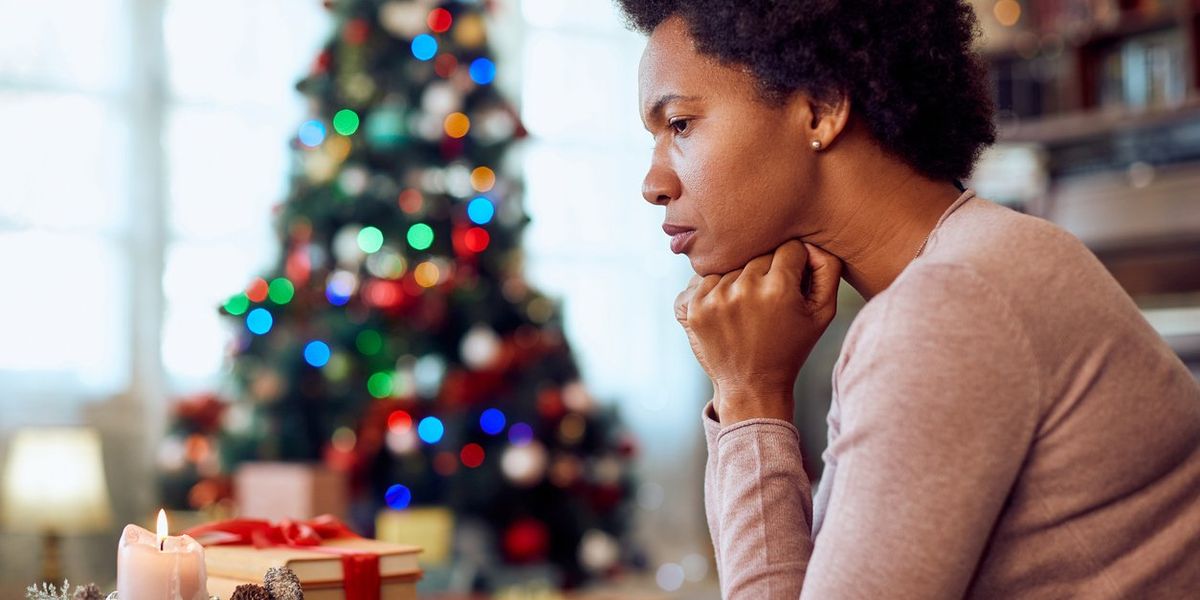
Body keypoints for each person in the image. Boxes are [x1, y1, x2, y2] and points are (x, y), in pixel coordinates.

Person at [616, 0, 1200, 597]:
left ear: (819, 108)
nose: (653, 184)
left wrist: (749, 399)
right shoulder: (968, 269)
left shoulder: (950, 308)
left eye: (680, 125)